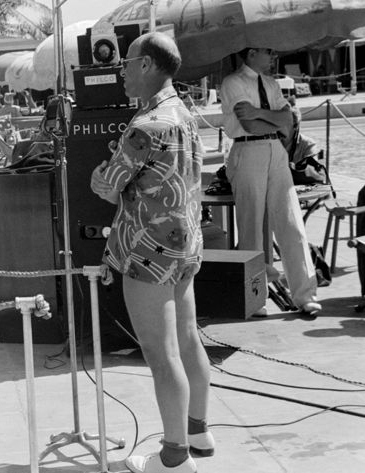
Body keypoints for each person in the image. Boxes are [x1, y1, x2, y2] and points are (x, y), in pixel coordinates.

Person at [91, 33, 211, 473]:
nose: (121, 70)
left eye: (126, 63)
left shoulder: (146, 125)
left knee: (162, 354)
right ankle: (198, 430)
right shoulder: (185, 112)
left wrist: (97, 176)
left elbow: (108, 185)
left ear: (146, 66)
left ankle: (175, 458)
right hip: (185, 243)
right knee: (188, 336)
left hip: (148, 249)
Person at [220, 47, 321, 315]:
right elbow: (251, 127)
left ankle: (305, 294)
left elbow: (288, 120)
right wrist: (269, 119)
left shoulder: (271, 83)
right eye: (268, 51)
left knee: (291, 222)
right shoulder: (233, 82)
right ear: (252, 53)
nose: (274, 56)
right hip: (247, 148)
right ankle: (256, 299)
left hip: (276, 151)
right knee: (251, 227)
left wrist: (258, 112)